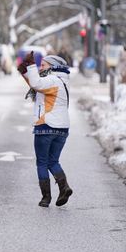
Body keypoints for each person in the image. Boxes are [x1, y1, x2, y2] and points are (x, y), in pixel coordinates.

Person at [18, 52, 74, 208]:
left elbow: (36, 83)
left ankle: (46, 197)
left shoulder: (53, 80)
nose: (40, 67)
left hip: (46, 126)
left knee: (42, 162)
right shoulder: (61, 81)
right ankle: (64, 188)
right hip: (62, 129)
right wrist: (25, 72)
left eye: (43, 65)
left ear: (53, 66)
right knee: (53, 161)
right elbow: (36, 84)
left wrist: (30, 65)